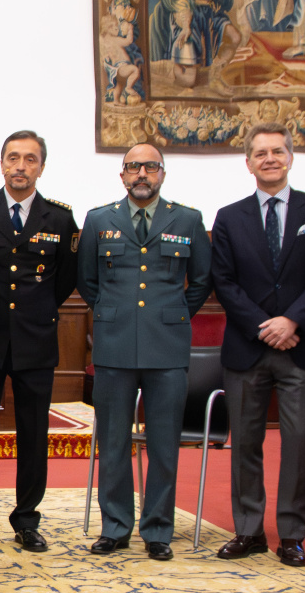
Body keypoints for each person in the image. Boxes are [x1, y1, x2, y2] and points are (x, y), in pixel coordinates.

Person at [210, 123, 305, 567]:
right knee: (244, 441)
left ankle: (291, 535)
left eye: (277, 151)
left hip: (301, 346)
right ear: (247, 162)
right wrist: (263, 324)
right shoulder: (229, 217)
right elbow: (223, 282)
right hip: (248, 347)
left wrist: (292, 321)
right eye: (260, 153)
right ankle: (248, 530)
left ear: (290, 157)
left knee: (300, 442)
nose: (269, 158)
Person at [77, 144, 212, 561]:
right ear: (122, 175)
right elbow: (87, 281)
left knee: (164, 443)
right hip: (114, 345)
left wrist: (168, 315)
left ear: (162, 175)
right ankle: (114, 527)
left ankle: (157, 530)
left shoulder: (188, 219)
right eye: (133, 167)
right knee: (113, 442)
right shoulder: (99, 219)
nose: (142, 174)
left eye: (150, 167)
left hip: (167, 347)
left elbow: (202, 280)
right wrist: (116, 316)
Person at [0, 130, 79, 555]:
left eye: (29, 159)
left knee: (33, 433)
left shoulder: (60, 219)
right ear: (2, 163)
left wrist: (32, 308)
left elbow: (63, 280)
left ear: (41, 167)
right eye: (13, 158)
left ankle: (27, 520)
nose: (20, 166)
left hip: (35, 341)